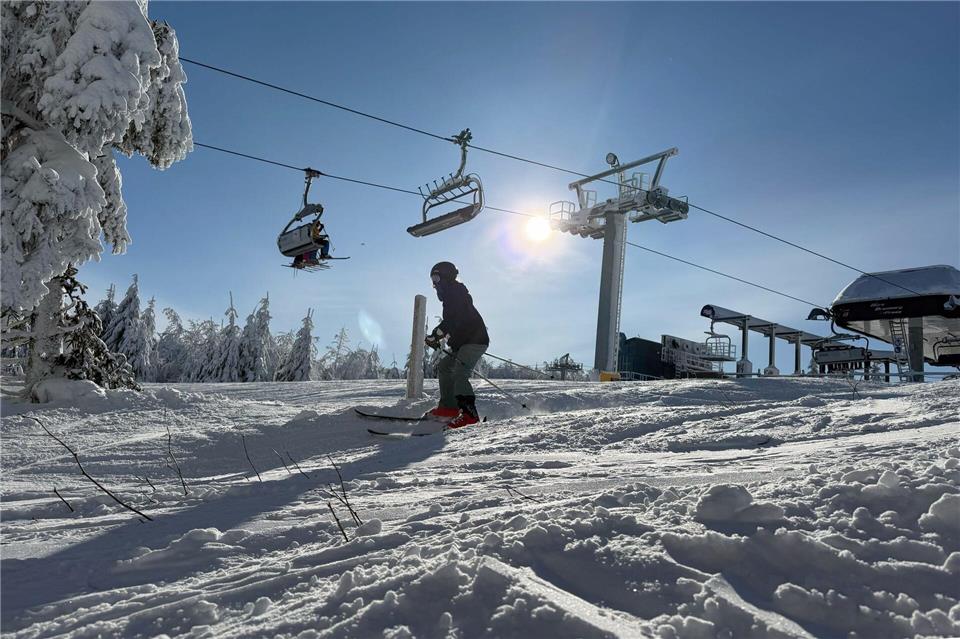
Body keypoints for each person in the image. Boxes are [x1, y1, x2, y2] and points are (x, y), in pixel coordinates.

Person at [424, 261, 489, 428]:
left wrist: (436, 335)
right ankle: (449, 408)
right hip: (464, 342)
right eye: (432, 279)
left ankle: (469, 414)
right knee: (446, 367)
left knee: (460, 372)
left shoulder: (456, 293)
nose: (434, 283)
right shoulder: (451, 296)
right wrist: (439, 336)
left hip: (474, 340)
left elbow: (454, 320)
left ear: (446, 276)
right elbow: (452, 322)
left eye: (437, 277)